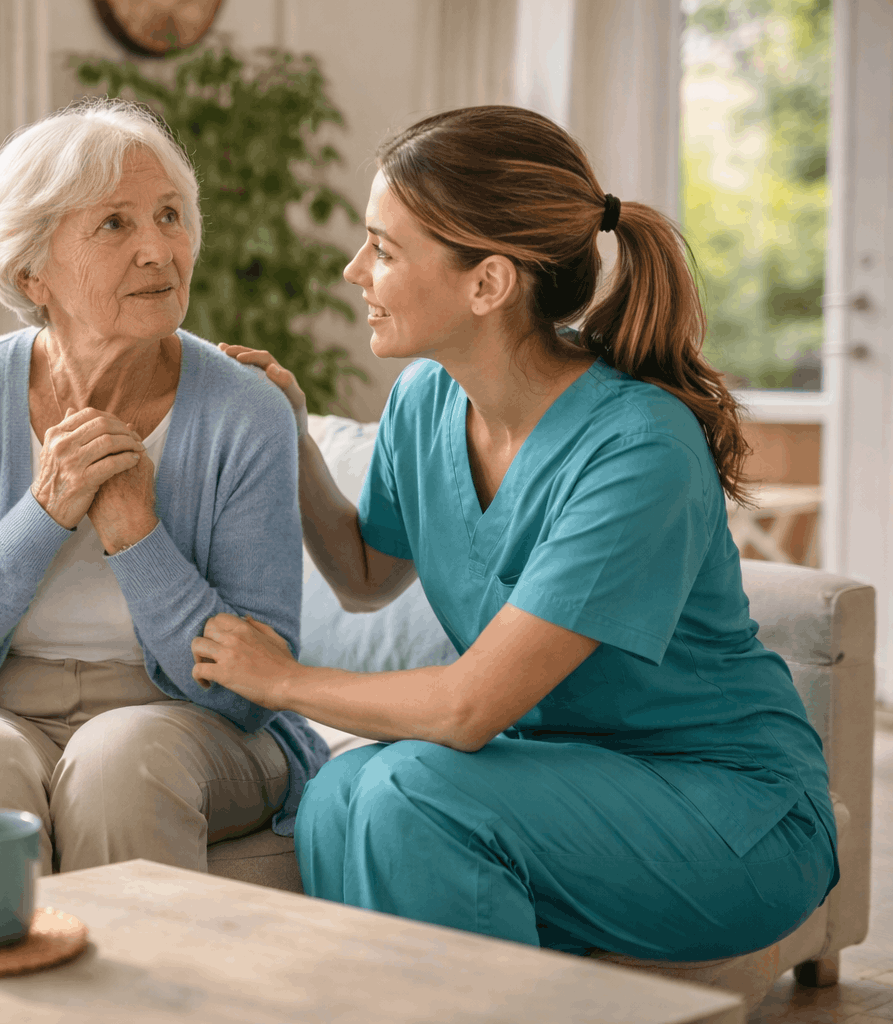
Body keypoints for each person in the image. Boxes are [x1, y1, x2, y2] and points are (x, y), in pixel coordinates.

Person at [193, 105, 838, 960]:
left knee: (407, 794)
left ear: (488, 284)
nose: (355, 271)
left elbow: (467, 709)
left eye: (384, 249)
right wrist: (294, 435)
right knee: (341, 789)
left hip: (729, 813)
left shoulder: (637, 449)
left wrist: (279, 680)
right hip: (551, 780)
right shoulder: (425, 401)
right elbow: (362, 575)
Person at [0, 98, 327, 874]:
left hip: (185, 722)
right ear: (32, 269)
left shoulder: (245, 409)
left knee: (120, 761)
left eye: (170, 215)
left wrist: (139, 538)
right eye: (115, 225)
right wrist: (42, 514)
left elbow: (254, 690)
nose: (159, 250)